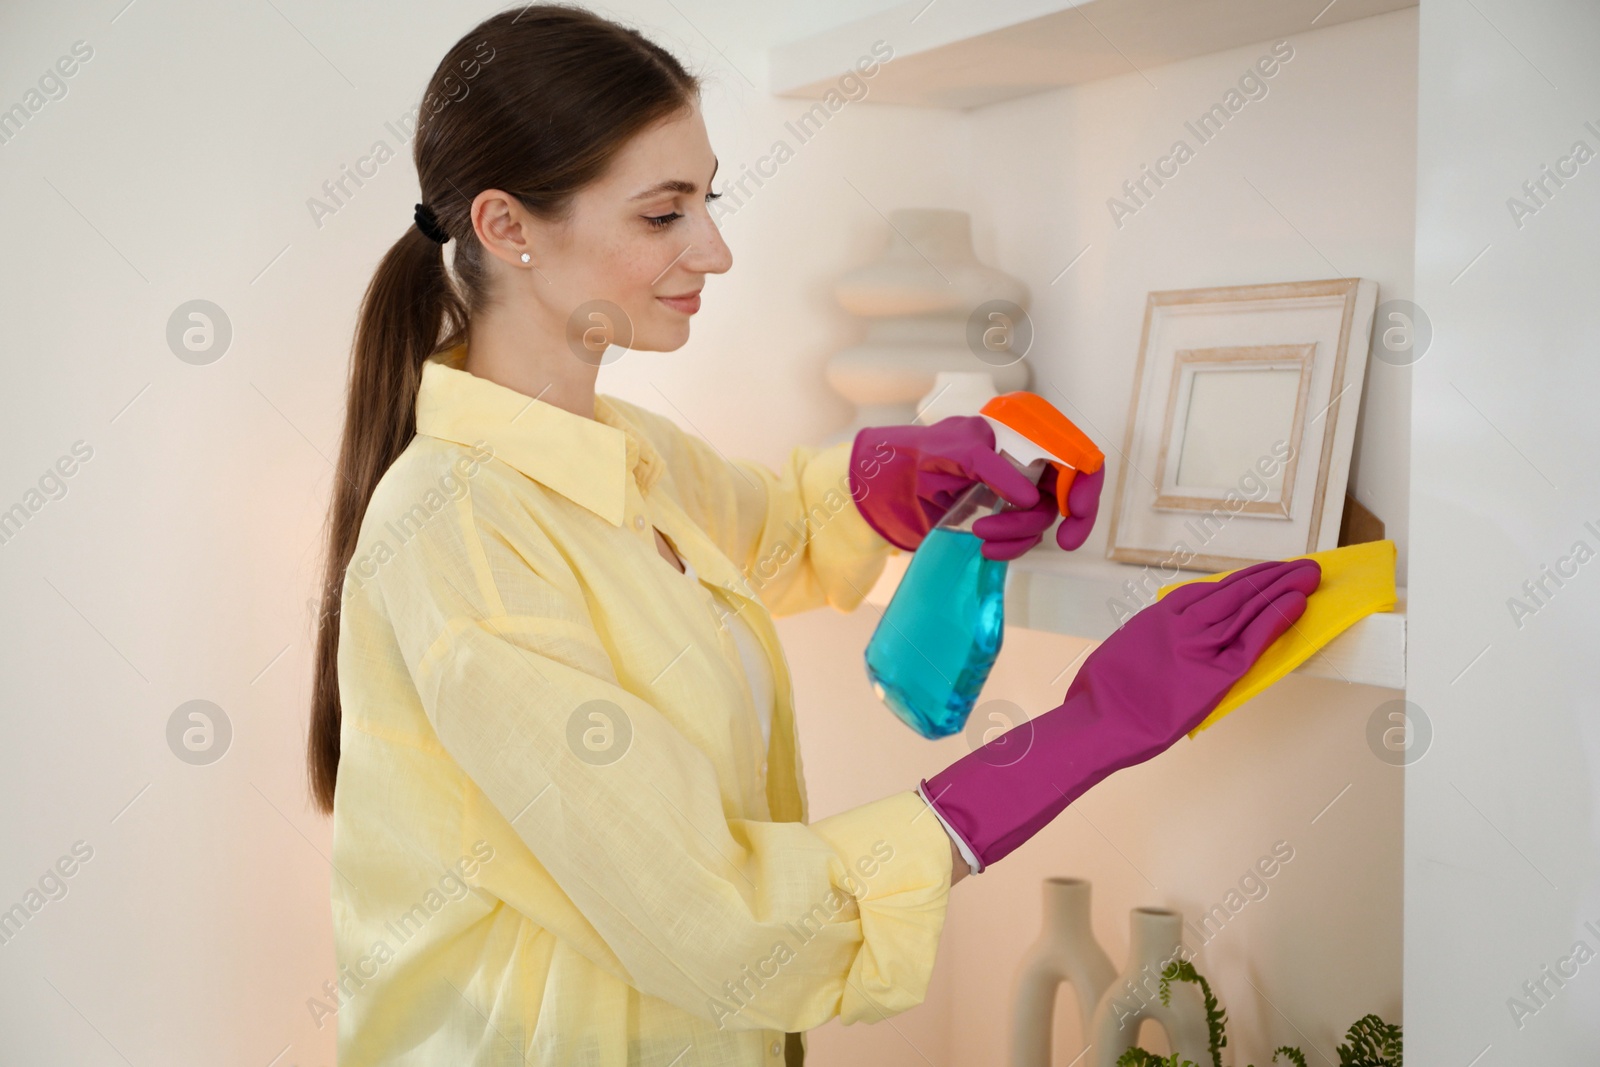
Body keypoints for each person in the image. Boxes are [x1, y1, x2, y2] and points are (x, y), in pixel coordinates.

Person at [304, 7, 1321, 1065]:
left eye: (709, 199)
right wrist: (1082, 730)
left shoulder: (618, 451)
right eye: (663, 214)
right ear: (508, 226)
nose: (716, 249)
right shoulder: (457, 529)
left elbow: (771, 531)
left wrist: (918, 469)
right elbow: (718, 917)